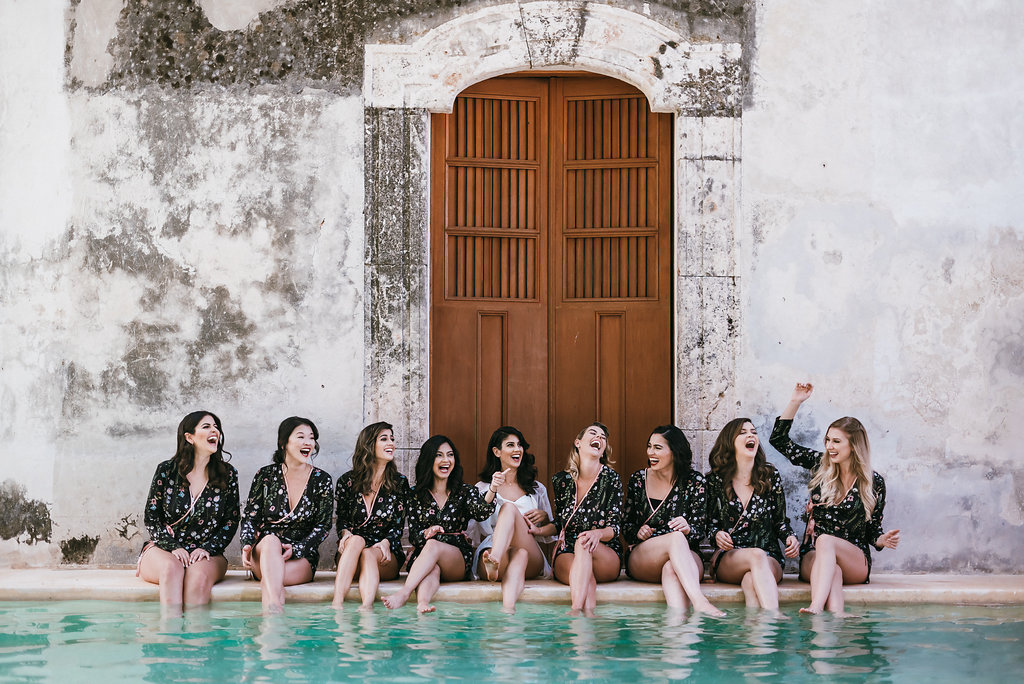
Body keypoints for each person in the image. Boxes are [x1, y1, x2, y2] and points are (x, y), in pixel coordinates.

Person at [770, 382, 900, 615]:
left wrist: (882, 540)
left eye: (836, 441)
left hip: (855, 559)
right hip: (815, 557)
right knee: (831, 567)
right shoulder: (821, 466)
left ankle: (815, 607)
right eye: (828, 440)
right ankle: (836, 618)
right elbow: (779, 441)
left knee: (826, 540)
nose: (829, 446)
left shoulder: (873, 482)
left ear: (854, 445)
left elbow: (872, 531)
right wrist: (795, 401)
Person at [139, 411, 239, 610]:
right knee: (170, 568)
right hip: (164, 549)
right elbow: (151, 517)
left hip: (207, 553)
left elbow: (231, 521)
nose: (215, 431)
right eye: (206, 426)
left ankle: (196, 638)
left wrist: (207, 548)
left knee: (198, 577)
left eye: (216, 426)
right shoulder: (167, 470)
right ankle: (170, 635)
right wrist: (173, 546)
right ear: (189, 437)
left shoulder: (227, 474)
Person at [383, 435, 495, 612]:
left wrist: (493, 489)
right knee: (433, 569)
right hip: (425, 557)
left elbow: (481, 512)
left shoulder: (465, 491)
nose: (446, 460)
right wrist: (427, 532)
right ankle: (423, 604)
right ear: (429, 460)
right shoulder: (415, 494)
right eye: (439, 455)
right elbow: (414, 537)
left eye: (450, 455)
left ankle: (404, 593)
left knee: (433, 545)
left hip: (456, 559)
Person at [623, 425, 724, 616]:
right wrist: (638, 531)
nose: (650, 452)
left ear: (674, 452)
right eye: (649, 446)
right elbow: (626, 526)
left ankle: (678, 632)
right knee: (676, 538)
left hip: (686, 555)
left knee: (672, 567)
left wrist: (688, 528)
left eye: (658, 448)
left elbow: (700, 531)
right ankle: (700, 602)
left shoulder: (695, 482)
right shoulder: (638, 479)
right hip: (646, 556)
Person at [240, 416, 334, 614]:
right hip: (264, 551)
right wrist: (247, 544)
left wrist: (298, 548)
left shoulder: (321, 479)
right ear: (283, 443)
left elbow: (323, 526)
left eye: (311, 438)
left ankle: (271, 615)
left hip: (301, 556)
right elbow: (250, 516)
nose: (308, 442)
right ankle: (274, 610)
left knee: (272, 578)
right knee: (271, 540)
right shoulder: (265, 475)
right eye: (301, 437)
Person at [706, 417, 800, 610]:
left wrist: (790, 537)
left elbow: (780, 521)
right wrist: (716, 534)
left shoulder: (769, 475)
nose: (751, 435)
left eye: (754, 432)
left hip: (769, 557)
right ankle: (774, 617)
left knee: (751, 580)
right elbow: (708, 523)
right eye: (743, 433)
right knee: (756, 555)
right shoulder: (715, 480)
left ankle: (758, 633)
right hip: (731, 557)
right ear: (729, 442)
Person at [468, 426, 557, 613]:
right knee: (520, 555)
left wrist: (545, 518)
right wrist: (493, 489)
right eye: (510, 445)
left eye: (520, 445)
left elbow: (550, 533)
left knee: (510, 510)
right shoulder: (483, 488)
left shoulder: (536, 488)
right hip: (493, 546)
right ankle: (508, 609)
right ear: (496, 451)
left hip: (529, 547)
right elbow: (474, 528)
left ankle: (495, 560)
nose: (517, 449)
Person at [333, 421, 409, 610]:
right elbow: (341, 518)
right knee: (357, 540)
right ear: (369, 445)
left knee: (369, 553)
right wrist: (345, 534)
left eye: (392, 439)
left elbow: (398, 525)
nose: (391, 443)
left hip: (385, 554)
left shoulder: (399, 482)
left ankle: (367, 606)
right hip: (351, 553)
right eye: (384, 439)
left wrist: (386, 542)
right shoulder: (347, 481)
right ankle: (337, 602)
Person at [551, 422, 624, 617]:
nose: (599, 438)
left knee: (583, 543)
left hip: (603, 553)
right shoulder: (561, 480)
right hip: (569, 551)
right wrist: (538, 529)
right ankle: (589, 615)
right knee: (583, 571)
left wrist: (597, 534)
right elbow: (560, 522)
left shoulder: (611, 479)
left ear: (603, 450)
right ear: (578, 443)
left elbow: (615, 528)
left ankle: (575, 609)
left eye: (603, 437)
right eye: (593, 434)